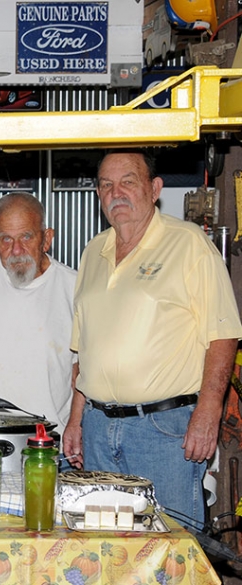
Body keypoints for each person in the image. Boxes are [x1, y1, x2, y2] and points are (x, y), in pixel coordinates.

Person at [63, 149, 242, 525]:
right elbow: (83, 350)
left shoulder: (188, 243)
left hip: (163, 430)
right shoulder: (93, 252)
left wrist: (208, 413)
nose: (117, 193)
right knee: (106, 546)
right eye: (107, 185)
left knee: (171, 549)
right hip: (97, 430)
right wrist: (75, 420)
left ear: (155, 188)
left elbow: (223, 333)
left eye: (128, 182)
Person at [0, 192, 76, 434]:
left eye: (26, 236)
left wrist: (75, 429)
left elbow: (82, 374)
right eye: (6, 239)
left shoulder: (76, 289)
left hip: (48, 446)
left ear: (46, 239)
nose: (17, 250)